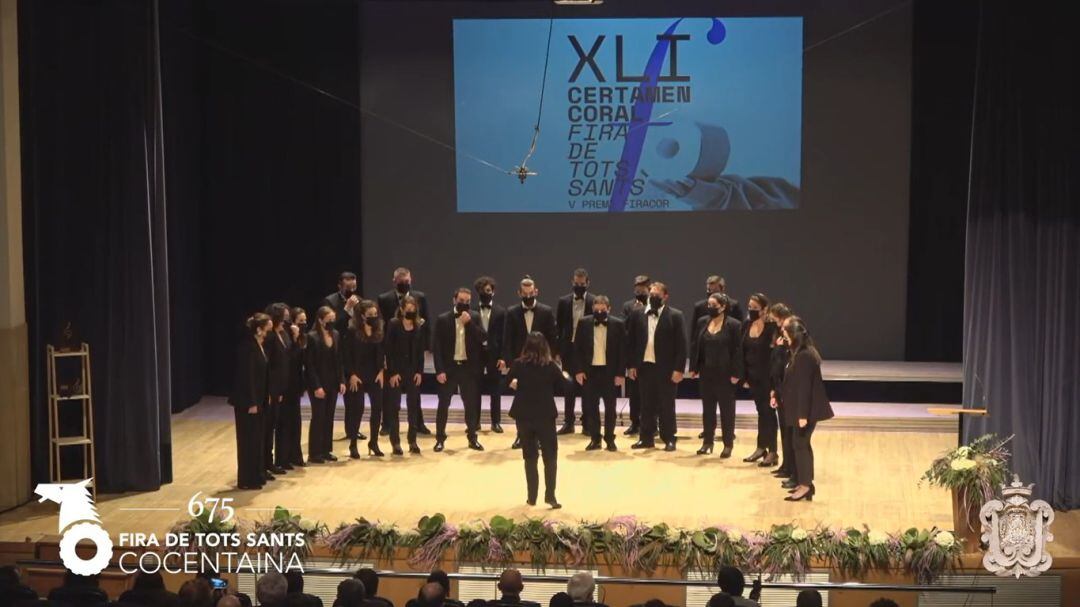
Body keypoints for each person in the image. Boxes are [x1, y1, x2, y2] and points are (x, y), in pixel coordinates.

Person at [627, 282, 687, 451]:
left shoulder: (675, 315)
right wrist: (631, 365)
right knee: (646, 404)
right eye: (651, 294)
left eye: (656, 295)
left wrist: (679, 369)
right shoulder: (637, 314)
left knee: (666, 404)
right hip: (645, 366)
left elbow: (681, 345)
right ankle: (646, 438)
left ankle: (669, 438)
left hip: (666, 368)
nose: (653, 298)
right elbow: (631, 342)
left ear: (665, 297)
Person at [779, 316, 834, 502]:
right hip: (801, 409)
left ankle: (805, 485)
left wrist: (802, 415)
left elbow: (804, 388)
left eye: (785, 334)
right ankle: (805, 484)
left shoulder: (804, 356)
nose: (783, 337)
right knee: (800, 445)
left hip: (806, 411)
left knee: (800, 445)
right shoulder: (799, 352)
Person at [507, 333, 564, 508]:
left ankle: (531, 497)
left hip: (524, 415)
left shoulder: (518, 364)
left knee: (530, 457)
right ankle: (550, 496)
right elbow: (564, 387)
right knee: (550, 456)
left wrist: (515, 383)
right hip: (545, 415)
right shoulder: (550, 366)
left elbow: (506, 382)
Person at [500, 277, 558, 449]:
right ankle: (521, 436)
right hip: (521, 366)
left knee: (542, 400)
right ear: (519, 293)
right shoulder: (511, 312)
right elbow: (507, 339)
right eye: (524, 294)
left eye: (531, 293)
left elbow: (552, 338)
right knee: (521, 402)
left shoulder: (546, 311)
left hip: (541, 364)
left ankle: (540, 437)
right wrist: (510, 364)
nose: (528, 296)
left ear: (536, 292)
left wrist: (551, 359)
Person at [378, 267, 432, 436]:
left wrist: (426, 347)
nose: (404, 284)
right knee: (390, 393)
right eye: (401, 282)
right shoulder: (384, 299)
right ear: (394, 281)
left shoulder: (420, 297)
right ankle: (386, 425)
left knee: (414, 395)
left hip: (414, 350)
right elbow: (382, 325)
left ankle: (418, 424)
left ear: (411, 280)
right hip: (394, 351)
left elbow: (426, 323)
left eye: (407, 281)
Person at [433, 288, 487, 452]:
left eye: (467, 301)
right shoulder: (443, 319)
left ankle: (472, 438)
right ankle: (440, 439)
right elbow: (437, 347)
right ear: (454, 300)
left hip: (468, 369)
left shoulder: (475, 317)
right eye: (461, 300)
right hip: (449, 369)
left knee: (470, 405)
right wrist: (439, 370)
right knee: (443, 404)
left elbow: (482, 338)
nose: (464, 304)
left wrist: (469, 323)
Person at [688, 293, 743, 457]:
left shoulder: (734, 325)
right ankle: (707, 442)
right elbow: (695, 345)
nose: (710, 308)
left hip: (725, 374)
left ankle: (727, 444)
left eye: (714, 305)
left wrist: (736, 373)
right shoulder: (702, 322)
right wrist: (694, 367)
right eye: (709, 305)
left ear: (723, 307)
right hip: (706, 372)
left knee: (727, 410)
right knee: (708, 409)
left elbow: (738, 351)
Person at [573, 295, 626, 451]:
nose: (600, 312)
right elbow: (577, 349)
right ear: (592, 309)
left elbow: (622, 351)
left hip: (609, 372)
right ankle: (595, 439)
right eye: (597, 310)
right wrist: (579, 370)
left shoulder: (618, 324)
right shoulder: (583, 324)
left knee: (611, 408)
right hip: (590, 372)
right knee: (591, 408)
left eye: (603, 310)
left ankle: (610, 438)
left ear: (609, 309)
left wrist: (620, 374)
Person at [229, 313, 271, 489]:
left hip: (259, 400)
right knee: (248, 441)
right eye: (266, 329)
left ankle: (257, 474)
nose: (268, 333)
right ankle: (247, 479)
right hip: (247, 403)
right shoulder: (247, 348)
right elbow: (247, 378)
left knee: (257, 440)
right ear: (258, 330)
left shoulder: (259, 346)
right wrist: (252, 402)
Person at [342, 300, 388, 457]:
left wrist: (382, 370)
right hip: (358, 375)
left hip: (375, 374)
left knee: (377, 409)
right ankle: (353, 444)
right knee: (357, 410)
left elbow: (381, 352)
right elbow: (346, 354)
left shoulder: (379, 330)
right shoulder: (352, 331)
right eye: (370, 315)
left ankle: (373, 442)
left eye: (375, 314)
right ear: (362, 316)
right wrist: (352, 374)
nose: (374, 317)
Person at [739, 293, 779, 466]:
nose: (751, 310)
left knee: (769, 413)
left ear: (764, 309)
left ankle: (773, 451)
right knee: (761, 413)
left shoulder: (771, 328)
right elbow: (741, 351)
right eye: (749, 307)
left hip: (768, 378)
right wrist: (744, 376)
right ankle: (761, 447)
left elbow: (776, 355)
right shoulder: (746, 325)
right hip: (753, 377)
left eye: (755, 308)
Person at [384, 295, 427, 454]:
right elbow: (388, 350)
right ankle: (395, 442)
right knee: (395, 407)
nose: (410, 312)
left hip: (412, 371)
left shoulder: (418, 325)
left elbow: (420, 351)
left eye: (413, 310)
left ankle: (413, 440)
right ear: (401, 309)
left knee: (413, 407)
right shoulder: (394, 324)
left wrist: (419, 372)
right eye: (407, 310)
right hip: (397, 371)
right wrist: (392, 372)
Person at [556, 268, 595, 435]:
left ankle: (587, 423)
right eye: (576, 284)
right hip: (569, 350)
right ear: (572, 283)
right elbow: (559, 327)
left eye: (582, 284)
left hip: (587, 352)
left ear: (587, 283)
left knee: (588, 388)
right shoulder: (563, 301)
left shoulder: (594, 301)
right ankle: (568, 422)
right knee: (568, 387)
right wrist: (557, 351)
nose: (579, 286)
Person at [305, 306, 345, 464]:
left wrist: (342, 380)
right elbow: (310, 365)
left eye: (333, 320)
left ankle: (326, 449)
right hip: (318, 384)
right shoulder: (312, 337)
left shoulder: (335, 334)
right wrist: (316, 386)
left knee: (329, 417)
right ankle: (314, 453)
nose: (332, 323)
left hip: (332, 383)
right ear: (321, 320)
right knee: (318, 417)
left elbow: (339, 361)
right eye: (329, 320)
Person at [766, 304, 795, 484]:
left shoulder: (790, 340)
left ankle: (792, 468)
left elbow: (784, 362)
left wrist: (778, 347)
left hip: (787, 390)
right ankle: (786, 465)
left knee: (790, 434)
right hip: (778, 387)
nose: (777, 325)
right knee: (784, 431)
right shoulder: (779, 337)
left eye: (777, 320)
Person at [474, 276, 507, 433]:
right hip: (477, 354)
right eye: (482, 291)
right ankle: (475, 421)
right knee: (475, 389)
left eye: (487, 290)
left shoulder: (501, 312)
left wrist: (503, 357)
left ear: (493, 292)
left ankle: (496, 422)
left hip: (494, 354)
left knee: (495, 389)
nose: (485, 293)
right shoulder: (472, 311)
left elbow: (504, 336)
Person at [263, 303, 293, 477]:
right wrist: (272, 390)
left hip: (284, 386)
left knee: (278, 425)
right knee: (268, 428)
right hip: (273, 389)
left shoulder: (283, 333)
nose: (287, 319)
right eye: (284, 316)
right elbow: (268, 366)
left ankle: (276, 460)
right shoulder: (270, 336)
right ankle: (266, 462)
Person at [277, 307, 308, 469]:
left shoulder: (304, 338)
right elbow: (290, 358)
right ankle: (283, 458)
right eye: (299, 321)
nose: (303, 324)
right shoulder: (288, 338)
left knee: (296, 422)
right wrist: (295, 339)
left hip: (296, 385)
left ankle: (295, 455)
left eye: (304, 321)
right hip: (286, 385)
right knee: (285, 423)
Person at [619, 274, 651, 436]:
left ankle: (653, 424)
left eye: (642, 290)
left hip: (652, 355)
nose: (639, 293)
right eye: (636, 290)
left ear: (649, 289)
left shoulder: (655, 305)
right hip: (635, 355)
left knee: (652, 393)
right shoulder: (628, 306)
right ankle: (635, 423)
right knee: (634, 392)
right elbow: (624, 330)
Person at [322, 271, 360, 335]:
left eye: (354, 287)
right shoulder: (329, 301)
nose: (351, 290)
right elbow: (332, 325)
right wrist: (347, 308)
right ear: (339, 286)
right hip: (339, 337)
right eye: (348, 287)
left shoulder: (360, 300)